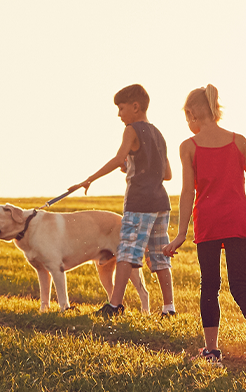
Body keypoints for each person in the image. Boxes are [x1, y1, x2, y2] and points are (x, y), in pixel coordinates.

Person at [162, 84, 246, 373]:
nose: (189, 125)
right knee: (240, 285)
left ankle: (211, 351)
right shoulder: (238, 141)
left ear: (193, 114)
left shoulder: (189, 147)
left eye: (188, 119)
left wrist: (181, 233)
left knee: (209, 286)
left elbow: (187, 193)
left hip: (208, 224)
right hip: (236, 222)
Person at [70, 83, 177, 317]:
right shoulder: (159, 133)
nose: (119, 114)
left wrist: (90, 179)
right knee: (160, 255)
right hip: (161, 203)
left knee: (127, 252)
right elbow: (167, 174)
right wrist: (134, 165)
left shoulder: (132, 130)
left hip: (139, 203)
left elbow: (119, 158)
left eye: (121, 108)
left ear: (135, 107)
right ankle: (169, 307)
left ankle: (115, 305)